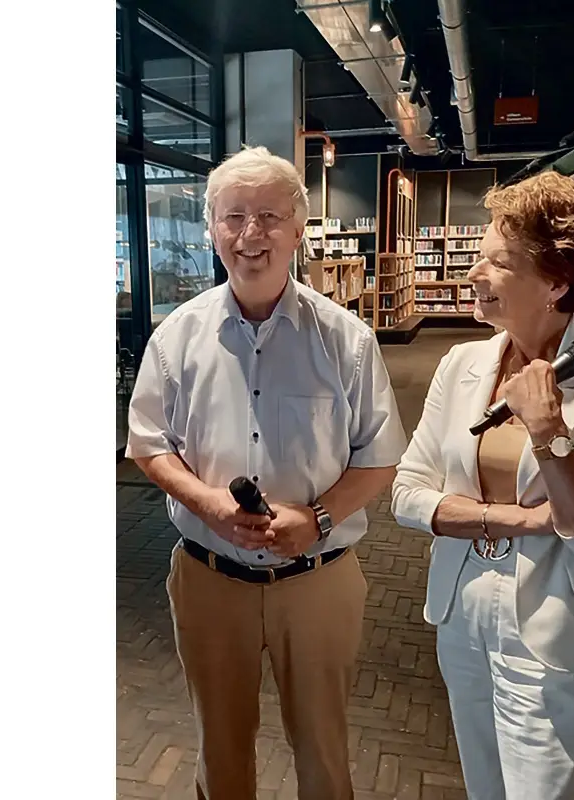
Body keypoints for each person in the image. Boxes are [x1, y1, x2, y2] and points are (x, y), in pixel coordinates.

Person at [126, 145, 407, 800]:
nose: (251, 233)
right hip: (209, 577)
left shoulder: (346, 339)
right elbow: (148, 443)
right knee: (219, 750)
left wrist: (318, 517)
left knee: (324, 751)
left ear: (298, 228)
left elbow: (380, 456)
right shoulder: (177, 337)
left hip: (318, 580)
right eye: (234, 216)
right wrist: (206, 502)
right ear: (211, 228)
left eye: (270, 216)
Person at [391, 170, 574, 800]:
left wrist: (550, 432)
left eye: (499, 263)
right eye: (480, 256)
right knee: (483, 786)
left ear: (557, 282)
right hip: (462, 612)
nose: (475, 273)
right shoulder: (462, 364)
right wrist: (529, 519)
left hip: (556, 631)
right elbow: (407, 495)